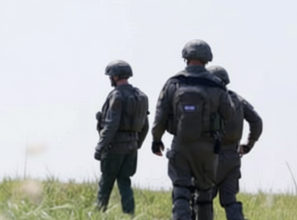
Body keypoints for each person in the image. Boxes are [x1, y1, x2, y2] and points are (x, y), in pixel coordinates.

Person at [151, 39, 235, 220]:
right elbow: (228, 113)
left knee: (181, 190)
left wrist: (156, 140)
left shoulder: (173, 83)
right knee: (205, 193)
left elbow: (160, 116)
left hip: (181, 145)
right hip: (207, 147)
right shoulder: (217, 85)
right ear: (208, 58)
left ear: (186, 57)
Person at [94, 60, 149, 216]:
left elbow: (111, 125)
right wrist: (137, 144)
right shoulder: (140, 96)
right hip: (132, 147)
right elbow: (145, 125)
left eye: (111, 76)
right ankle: (130, 216)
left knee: (106, 183)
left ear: (116, 76)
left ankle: (98, 215)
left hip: (114, 147)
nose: (110, 78)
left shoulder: (116, 96)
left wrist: (100, 147)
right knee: (125, 183)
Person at [207, 65, 263, 220]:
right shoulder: (238, 100)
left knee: (204, 200)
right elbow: (257, 121)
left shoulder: (207, 98)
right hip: (233, 157)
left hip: (210, 156)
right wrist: (249, 144)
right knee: (230, 201)